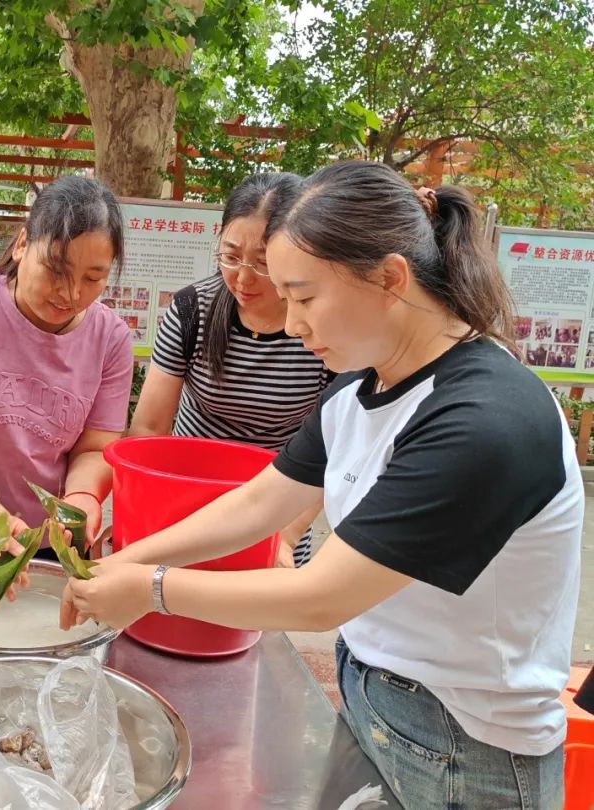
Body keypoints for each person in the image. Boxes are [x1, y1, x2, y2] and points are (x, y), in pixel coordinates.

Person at [61, 161, 581, 808]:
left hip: (467, 744)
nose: (292, 321)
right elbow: (262, 500)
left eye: (303, 297)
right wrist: (134, 554)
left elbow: (321, 597)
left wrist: (150, 588)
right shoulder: (360, 389)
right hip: (371, 692)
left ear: (389, 279)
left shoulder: (485, 419)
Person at [0, 176, 134, 545]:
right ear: (21, 244)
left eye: (93, 278)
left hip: (49, 541)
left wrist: (81, 499)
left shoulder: (110, 339)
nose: (72, 293)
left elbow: (95, 449)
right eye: (56, 270)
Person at [130, 173, 332, 567]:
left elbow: (330, 452)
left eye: (262, 262)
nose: (242, 277)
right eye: (231, 255)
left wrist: (284, 540)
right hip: (189, 506)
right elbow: (149, 428)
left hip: (280, 511)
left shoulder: (321, 326)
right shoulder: (193, 310)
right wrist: (145, 513)